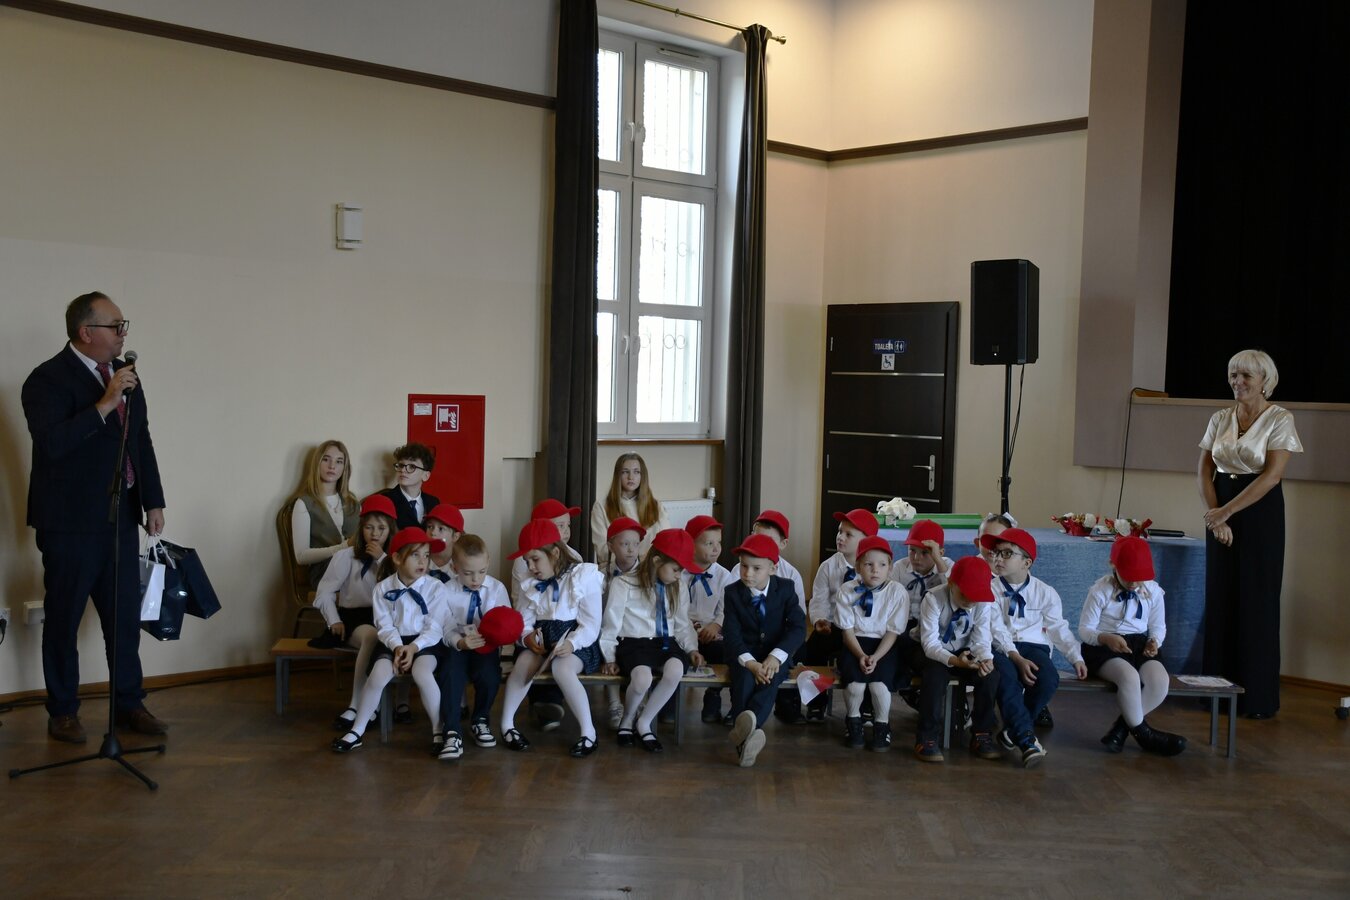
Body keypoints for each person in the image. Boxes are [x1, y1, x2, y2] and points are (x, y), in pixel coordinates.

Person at [22, 292, 168, 743]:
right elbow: (53, 444)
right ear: (86, 332)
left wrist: (153, 500)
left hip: (120, 519)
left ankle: (129, 702)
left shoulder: (125, 375)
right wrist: (105, 402)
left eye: (124, 326)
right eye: (115, 326)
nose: (123, 334)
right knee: (64, 620)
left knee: (123, 620)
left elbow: (140, 440)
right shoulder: (46, 379)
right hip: (69, 523)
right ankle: (63, 711)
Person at [1197, 349, 1303, 719]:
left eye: (1246, 376)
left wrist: (1226, 512)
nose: (1237, 382)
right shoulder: (1219, 417)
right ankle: (1214, 692)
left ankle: (1256, 698)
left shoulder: (1281, 418)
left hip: (1260, 513)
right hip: (1219, 511)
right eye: (1233, 375)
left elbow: (1272, 476)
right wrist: (1217, 519)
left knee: (1257, 600)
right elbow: (1204, 471)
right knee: (1221, 596)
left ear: (1264, 381)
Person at [331, 527, 450, 754]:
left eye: (426, 555)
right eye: (415, 555)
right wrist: (398, 647)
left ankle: (438, 729)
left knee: (422, 673)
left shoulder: (436, 588)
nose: (423, 561)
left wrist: (413, 647)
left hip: (425, 643)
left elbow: (435, 627)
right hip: (393, 641)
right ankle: (357, 730)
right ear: (396, 558)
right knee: (378, 674)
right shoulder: (382, 589)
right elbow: (384, 626)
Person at [499, 519, 604, 758]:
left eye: (535, 559)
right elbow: (524, 621)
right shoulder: (530, 582)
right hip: (542, 640)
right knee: (523, 664)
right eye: (527, 561)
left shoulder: (583, 576)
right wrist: (527, 638)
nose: (531, 566)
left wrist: (572, 643)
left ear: (555, 553)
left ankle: (588, 732)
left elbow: (591, 624)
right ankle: (507, 726)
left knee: (562, 669)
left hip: (575, 641)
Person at [983, 528, 1086, 768]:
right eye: (996, 553)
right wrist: (1015, 657)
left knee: (1048, 678)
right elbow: (995, 628)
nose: (998, 558)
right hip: (1001, 647)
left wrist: (1075, 657)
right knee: (1006, 679)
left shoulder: (1045, 592)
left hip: (1033, 647)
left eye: (1007, 553)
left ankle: (1014, 730)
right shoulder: (989, 589)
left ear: (1026, 562)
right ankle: (1027, 741)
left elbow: (1058, 627)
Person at [1079, 537, 1185, 756]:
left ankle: (1120, 729)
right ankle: (1145, 735)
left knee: (1159, 681)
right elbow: (1085, 630)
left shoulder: (1153, 591)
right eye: (1128, 576)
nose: (1134, 583)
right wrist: (1105, 638)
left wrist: (1154, 641)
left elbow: (1158, 626)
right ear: (1113, 565)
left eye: (1140, 577)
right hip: (1104, 646)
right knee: (1129, 677)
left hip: (1139, 644)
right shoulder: (1100, 590)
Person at [601, 529, 705, 752]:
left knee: (675, 670)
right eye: (676, 569)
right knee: (642, 679)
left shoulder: (678, 586)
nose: (679, 575)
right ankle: (627, 720)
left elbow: (682, 624)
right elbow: (611, 624)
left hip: (665, 642)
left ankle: (644, 722)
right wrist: (609, 657)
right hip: (633, 643)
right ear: (657, 561)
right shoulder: (624, 583)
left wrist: (691, 649)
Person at [314, 494, 397, 731]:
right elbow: (324, 592)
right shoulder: (346, 557)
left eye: (381, 528)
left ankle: (375, 706)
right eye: (369, 527)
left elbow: (399, 590)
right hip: (353, 618)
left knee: (381, 637)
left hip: (385, 618)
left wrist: (382, 560)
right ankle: (355, 704)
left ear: (390, 531)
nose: (375, 534)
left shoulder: (395, 561)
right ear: (361, 529)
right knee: (371, 636)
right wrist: (333, 620)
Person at [723, 533, 806, 768]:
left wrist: (775, 656)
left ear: (772, 568)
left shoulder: (786, 589)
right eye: (744, 566)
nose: (748, 573)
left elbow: (798, 628)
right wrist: (750, 663)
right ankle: (751, 731)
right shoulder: (733, 593)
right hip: (744, 655)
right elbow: (731, 634)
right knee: (744, 680)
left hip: (774, 654)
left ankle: (744, 729)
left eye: (756, 568)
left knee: (770, 678)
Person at [909, 556, 1000, 763]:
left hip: (964, 649)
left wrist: (985, 659)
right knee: (935, 675)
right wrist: (955, 661)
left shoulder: (982, 603)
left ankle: (981, 733)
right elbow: (930, 644)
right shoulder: (933, 598)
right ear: (951, 583)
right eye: (964, 594)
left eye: (976, 596)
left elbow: (981, 639)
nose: (970, 600)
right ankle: (927, 737)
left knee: (990, 676)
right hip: (930, 650)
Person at [509, 498, 584, 732]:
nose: (565, 531)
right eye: (558, 526)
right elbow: (521, 602)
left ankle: (554, 701)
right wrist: (527, 633)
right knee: (534, 649)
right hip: (535, 621)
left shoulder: (575, 557)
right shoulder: (525, 562)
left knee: (561, 647)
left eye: (567, 525)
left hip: (565, 628)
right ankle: (542, 702)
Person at [436, 534, 512, 761]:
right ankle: (451, 729)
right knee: (450, 674)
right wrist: (459, 642)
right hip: (457, 645)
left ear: (488, 562)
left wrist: (496, 635)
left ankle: (480, 719)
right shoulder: (445, 590)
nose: (476, 579)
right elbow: (444, 625)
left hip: (485, 645)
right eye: (468, 573)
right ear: (455, 567)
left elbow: (505, 620)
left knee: (489, 675)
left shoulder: (496, 589)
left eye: (481, 571)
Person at [803, 509, 878, 723]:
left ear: (866, 540)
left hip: (864, 629)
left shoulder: (875, 568)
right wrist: (819, 619)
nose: (840, 537)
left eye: (848, 534)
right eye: (839, 532)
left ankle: (866, 705)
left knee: (870, 654)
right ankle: (816, 702)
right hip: (835, 626)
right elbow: (819, 599)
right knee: (813, 649)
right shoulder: (828, 566)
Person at [834, 536, 908, 752]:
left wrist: (875, 657)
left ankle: (882, 725)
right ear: (858, 567)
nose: (875, 570)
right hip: (854, 644)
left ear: (890, 568)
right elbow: (847, 632)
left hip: (884, 646)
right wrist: (860, 655)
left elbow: (893, 632)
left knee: (879, 686)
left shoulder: (897, 592)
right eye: (868, 564)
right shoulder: (847, 590)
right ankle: (853, 722)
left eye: (882, 565)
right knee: (855, 686)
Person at [749, 510, 808, 724]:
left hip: (778, 639)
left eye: (770, 540)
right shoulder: (741, 569)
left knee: (784, 660)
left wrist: (778, 650)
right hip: (750, 637)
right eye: (757, 537)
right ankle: (744, 710)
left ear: (783, 544)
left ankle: (785, 702)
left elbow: (798, 619)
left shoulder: (791, 575)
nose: (762, 544)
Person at [288, 440, 360, 587]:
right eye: (326, 459)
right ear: (317, 463)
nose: (332, 466)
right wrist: (342, 547)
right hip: (324, 573)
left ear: (344, 468)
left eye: (339, 461)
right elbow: (301, 556)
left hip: (355, 568)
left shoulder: (353, 503)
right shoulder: (304, 503)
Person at [683, 515, 734, 724]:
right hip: (683, 630)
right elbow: (675, 608)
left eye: (718, 542)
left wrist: (715, 625)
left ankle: (713, 697)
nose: (716, 548)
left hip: (712, 632)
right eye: (708, 543)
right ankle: (669, 701)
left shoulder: (724, 576)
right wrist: (690, 627)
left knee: (722, 652)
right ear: (691, 545)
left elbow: (726, 609)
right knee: (672, 653)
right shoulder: (679, 573)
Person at [590, 452, 669, 573]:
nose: (631, 477)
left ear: (642, 476)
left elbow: (666, 543)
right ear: (618, 475)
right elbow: (603, 551)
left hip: (651, 569)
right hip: (618, 570)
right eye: (625, 472)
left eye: (636, 472)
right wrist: (635, 561)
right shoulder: (601, 506)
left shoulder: (656, 506)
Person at [602, 516, 646, 729]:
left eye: (636, 544)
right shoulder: (601, 573)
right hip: (606, 629)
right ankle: (614, 703)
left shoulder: (647, 574)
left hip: (635, 631)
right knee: (606, 654)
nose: (631, 549)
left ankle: (640, 704)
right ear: (611, 546)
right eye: (624, 544)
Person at [380, 442, 440, 529]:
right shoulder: (385, 500)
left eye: (412, 466)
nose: (403, 470)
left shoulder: (433, 502)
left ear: (426, 476)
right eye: (401, 465)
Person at [422, 503, 465, 582]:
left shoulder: (464, 564)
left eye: (441, 529)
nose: (433, 533)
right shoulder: (420, 560)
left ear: (455, 536)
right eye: (430, 527)